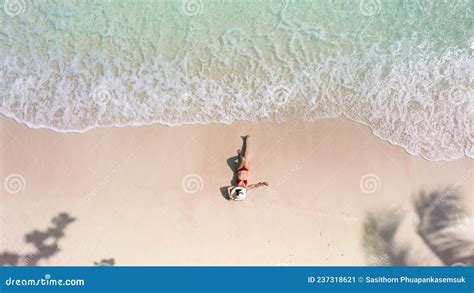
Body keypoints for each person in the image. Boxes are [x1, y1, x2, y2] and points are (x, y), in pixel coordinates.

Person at [227, 135, 268, 200]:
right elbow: (254, 186)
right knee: (246, 154)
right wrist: (262, 183)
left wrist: (230, 196)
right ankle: (246, 139)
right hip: (246, 169)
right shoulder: (246, 187)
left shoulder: (236, 186)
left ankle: (239, 154)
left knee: (242, 159)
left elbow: (228, 188)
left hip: (239, 169)